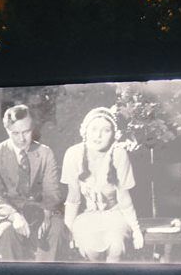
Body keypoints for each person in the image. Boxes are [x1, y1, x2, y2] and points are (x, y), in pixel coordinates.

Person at [0, 104, 66, 262]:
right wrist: (15, 217)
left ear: (32, 129)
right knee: (7, 232)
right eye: (15, 133)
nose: (21, 139)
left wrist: (46, 215)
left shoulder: (45, 153)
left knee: (56, 228)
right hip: (6, 213)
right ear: (7, 130)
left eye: (26, 132)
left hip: (39, 210)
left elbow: (52, 192)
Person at [61, 107, 143, 263]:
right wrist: (69, 231)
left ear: (113, 135)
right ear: (85, 131)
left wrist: (136, 229)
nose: (98, 135)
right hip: (87, 216)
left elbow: (124, 198)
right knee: (91, 248)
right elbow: (73, 199)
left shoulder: (118, 154)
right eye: (94, 129)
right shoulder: (73, 154)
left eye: (106, 130)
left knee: (116, 246)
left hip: (115, 214)